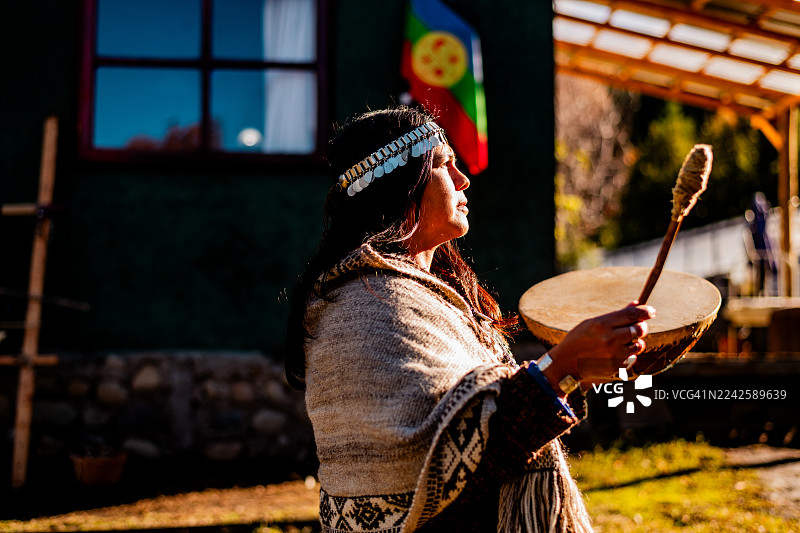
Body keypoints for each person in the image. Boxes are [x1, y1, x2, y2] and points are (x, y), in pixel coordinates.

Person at [285, 106, 655, 532]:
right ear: (402, 184)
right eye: (444, 164)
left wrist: (577, 369)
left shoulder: (425, 294)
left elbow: (482, 432)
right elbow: (463, 457)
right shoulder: (367, 303)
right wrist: (563, 365)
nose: (463, 180)